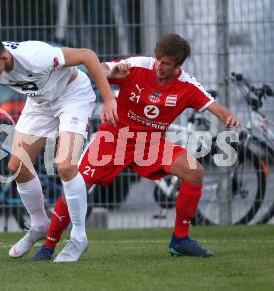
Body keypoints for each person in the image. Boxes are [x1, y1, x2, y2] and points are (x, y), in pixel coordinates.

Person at [31, 33, 241, 261]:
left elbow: (216, 107)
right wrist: (111, 72)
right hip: (113, 139)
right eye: (158, 59)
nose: (159, 66)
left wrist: (228, 117)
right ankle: (48, 246)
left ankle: (180, 240)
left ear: (178, 65)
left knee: (194, 171)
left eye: (166, 63)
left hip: (151, 145)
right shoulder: (137, 66)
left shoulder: (187, 85)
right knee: (77, 184)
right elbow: (99, 69)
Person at [0, 32, 118, 262]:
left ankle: (79, 237)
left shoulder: (37, 56)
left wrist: (109, 99)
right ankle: (39, 225)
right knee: (16, 164)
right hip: (40, 103)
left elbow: (87, 55)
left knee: (65, 166)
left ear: (3, 57)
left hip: (72, 97)